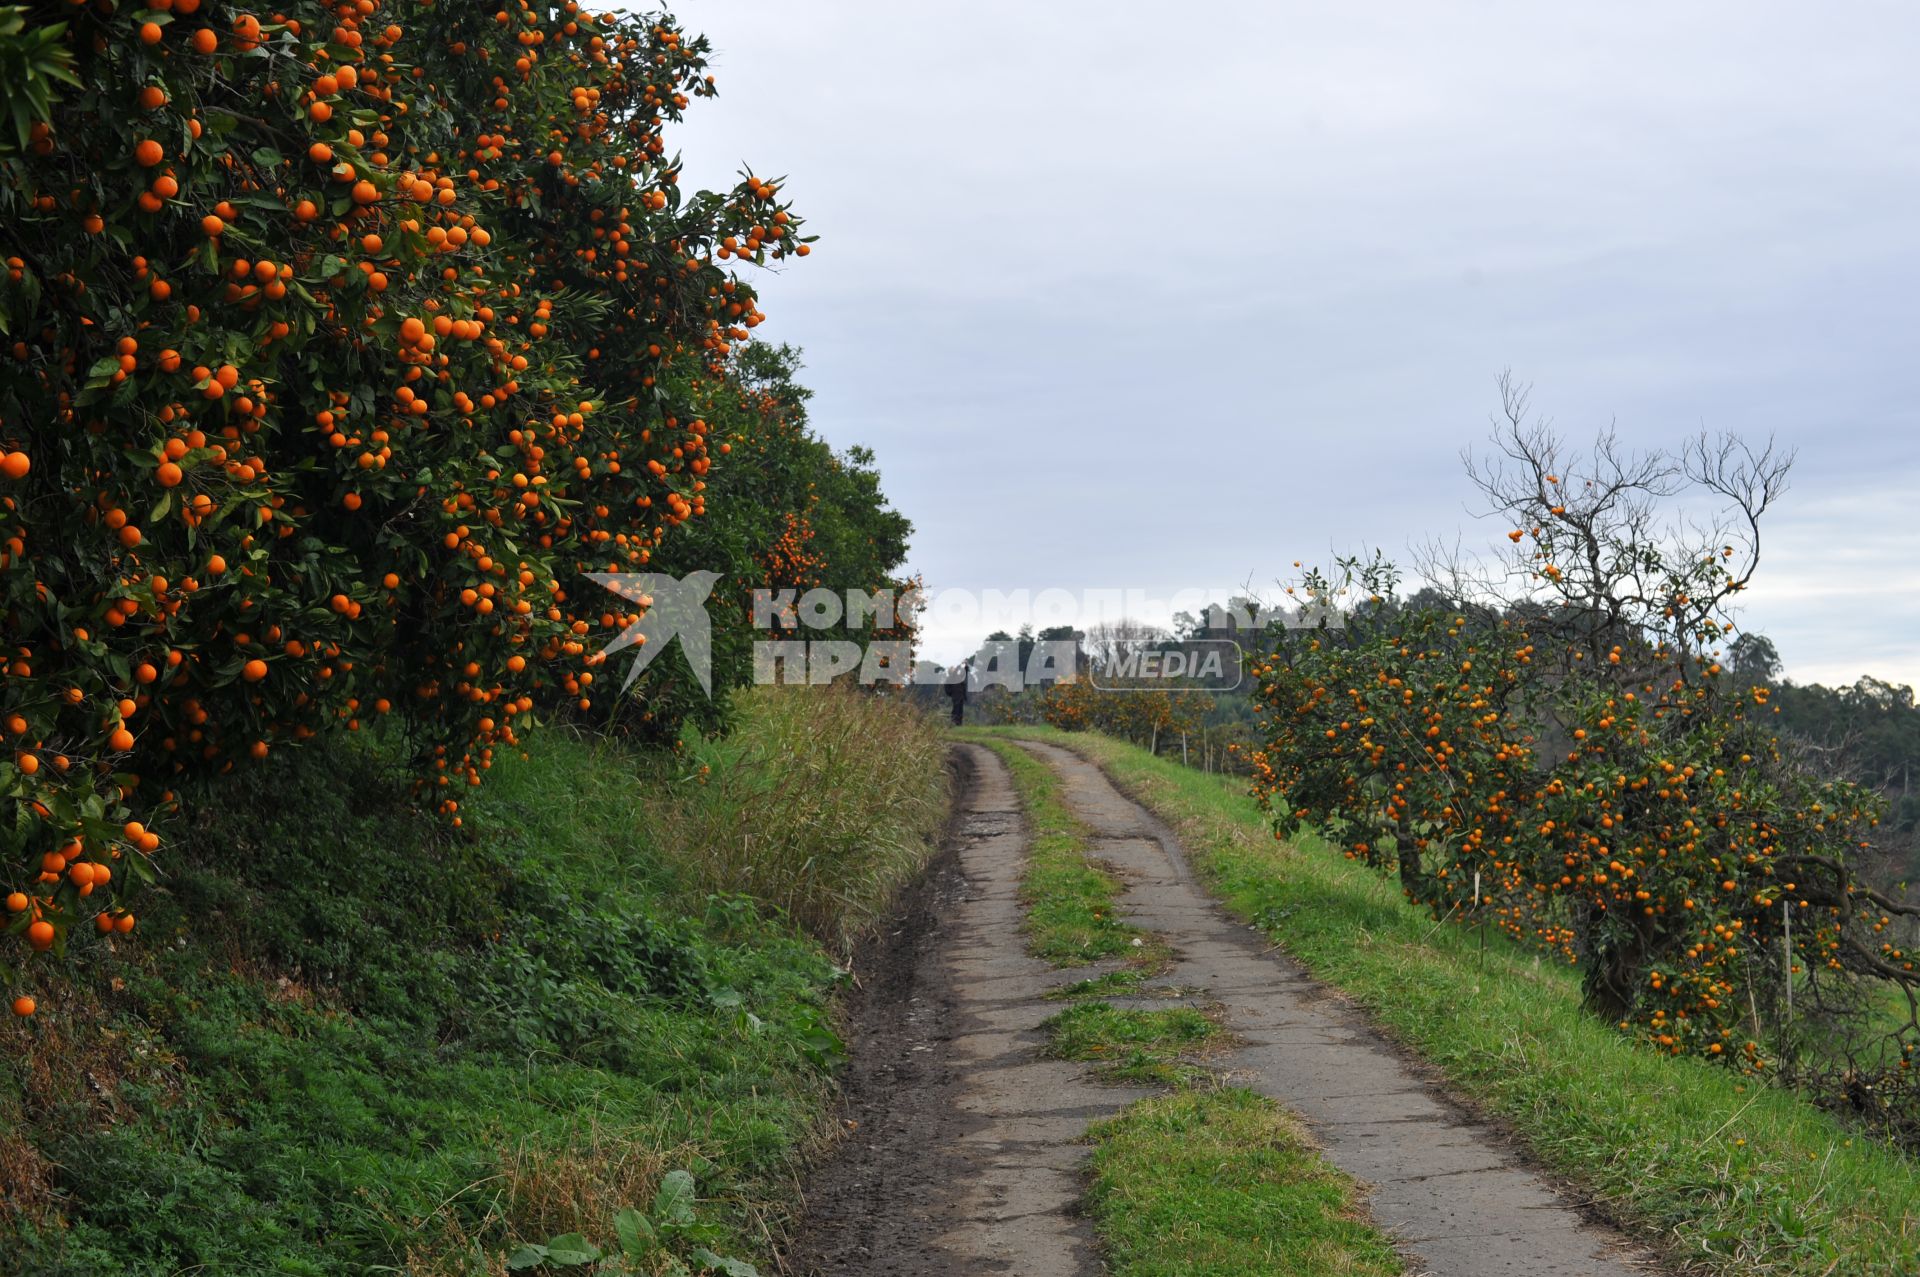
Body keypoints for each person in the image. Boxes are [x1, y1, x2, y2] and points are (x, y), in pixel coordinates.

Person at [944, 659, 970, 726]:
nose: (954, 669)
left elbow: (964, 674)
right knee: (956, 710)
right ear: (950, 671)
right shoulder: (951, 678)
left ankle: (959, 724)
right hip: (955, 696)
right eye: (952, 669)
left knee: (960, 711)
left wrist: (966, 666)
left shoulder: (958, 678)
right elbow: (947, 689)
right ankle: (953, 723)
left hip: (961, 696)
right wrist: (960, 664)